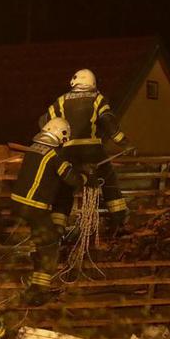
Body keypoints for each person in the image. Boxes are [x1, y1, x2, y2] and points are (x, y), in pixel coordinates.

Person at [40, 69, 130, 233]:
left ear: (74, 82)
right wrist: (124, 143)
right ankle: (119, 221)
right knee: (108, 181)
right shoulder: (97, 98)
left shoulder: (60, 101)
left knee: (65, 187)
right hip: (93, 150)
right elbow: (108, 122)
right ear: (93, 84)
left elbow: (44, 122)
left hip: (67, 152)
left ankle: (58, 226)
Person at [10, 117, 87, 305]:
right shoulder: (54, 156)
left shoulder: (33, 149)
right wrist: (86, 177)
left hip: (18, 203)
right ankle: (38, 291)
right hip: (35, 207)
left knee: (43, 239)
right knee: (50, 247)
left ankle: (36, 258)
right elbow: (71, 180)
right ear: (60, 135)